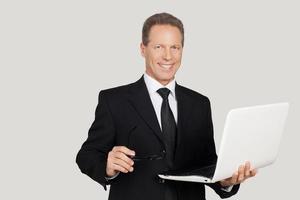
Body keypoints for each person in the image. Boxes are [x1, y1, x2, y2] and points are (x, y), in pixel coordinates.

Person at [76, 12, 256, 200]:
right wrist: (107, 166)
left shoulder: (200, 104)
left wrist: (226, 181)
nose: (168, 56)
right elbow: (86, 155)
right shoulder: (114, 100)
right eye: (159, 47)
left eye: (175, 47)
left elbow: (207, 163)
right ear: (143, 49)